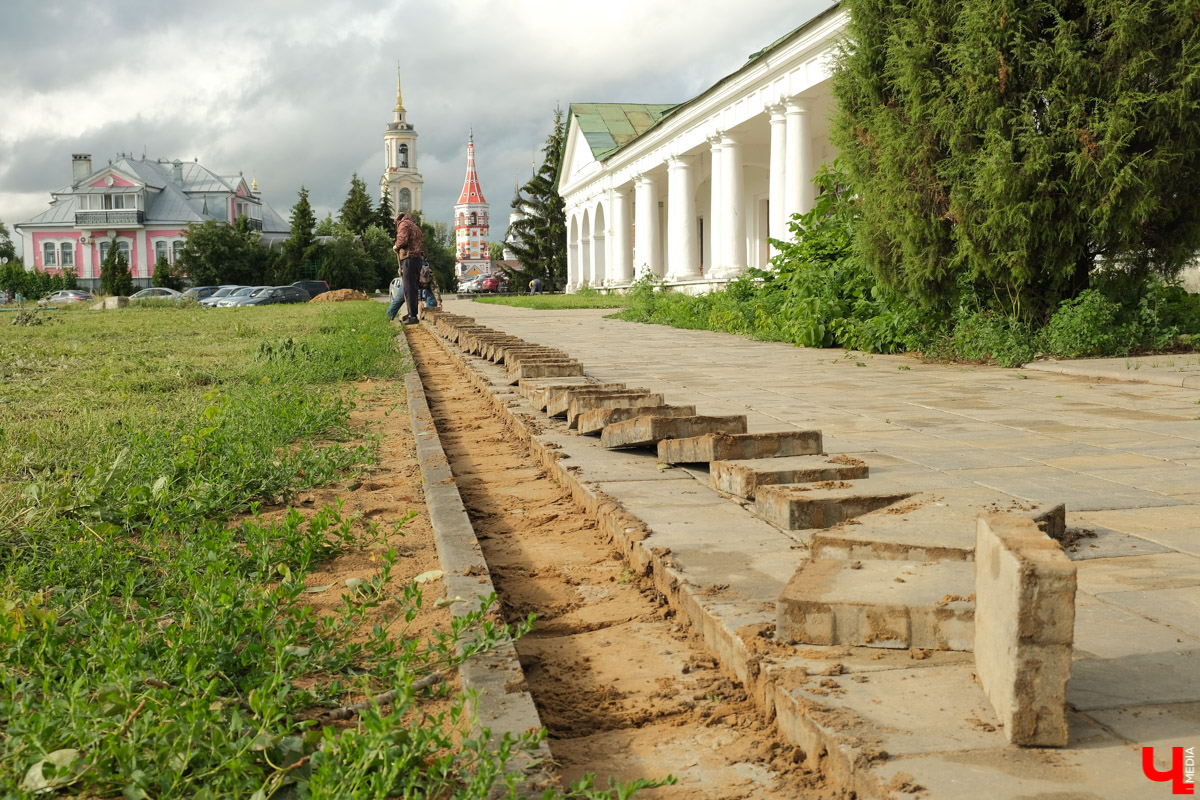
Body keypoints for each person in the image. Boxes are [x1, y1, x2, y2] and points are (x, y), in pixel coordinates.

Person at [391, 212, 425, 324]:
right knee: (413, 288)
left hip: (409, 258)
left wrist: (396, 246)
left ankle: (412, 317)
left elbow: (402, 240)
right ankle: (412, 314)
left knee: (409, 288)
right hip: (417, 259)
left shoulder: (404, 224)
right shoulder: (415, 226)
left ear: (398, 219)